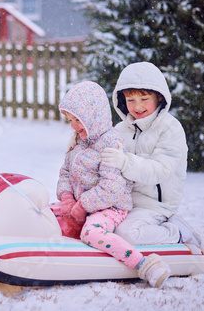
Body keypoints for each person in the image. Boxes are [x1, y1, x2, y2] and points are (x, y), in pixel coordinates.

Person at [56, 81, 171, 288]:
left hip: (110, 207)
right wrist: (66, 198)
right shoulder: (80, 142)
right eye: (70, 120)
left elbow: (113, 187)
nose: (73, 125)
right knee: (49, 212)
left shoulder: (111, 143)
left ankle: (145, 265)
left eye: (78, 119)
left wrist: (82, 205)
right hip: (80, 205)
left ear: (93, 117)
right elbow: (65, 172)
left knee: (92, 233)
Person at [101, 61, 201, 246]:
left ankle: (177, 233)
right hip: (123, 202)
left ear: (159, 98)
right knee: (97, 226)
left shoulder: (169, 129)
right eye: (131, 100)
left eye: (144, 99)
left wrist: (125, 163)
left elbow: (160, 170)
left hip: (154, 205)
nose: (137, 106)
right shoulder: (120, 129)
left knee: (127, 235)